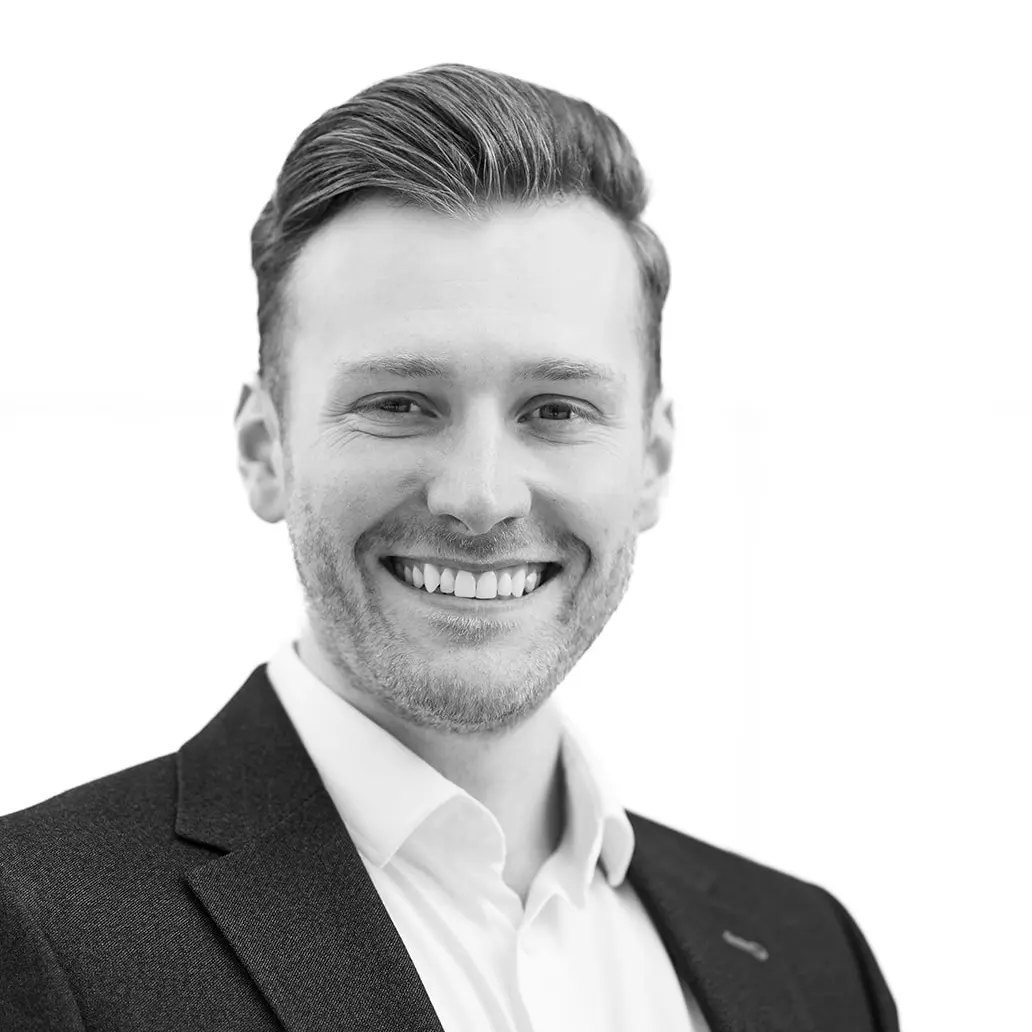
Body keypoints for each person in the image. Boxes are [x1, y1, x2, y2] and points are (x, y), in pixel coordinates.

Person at [0, 63, 898, 1031]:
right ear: (264, 450)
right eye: (398, 404)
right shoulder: (39, 927)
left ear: (652, 460)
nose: (479, 495)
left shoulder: (808, 957)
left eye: (555, 410)